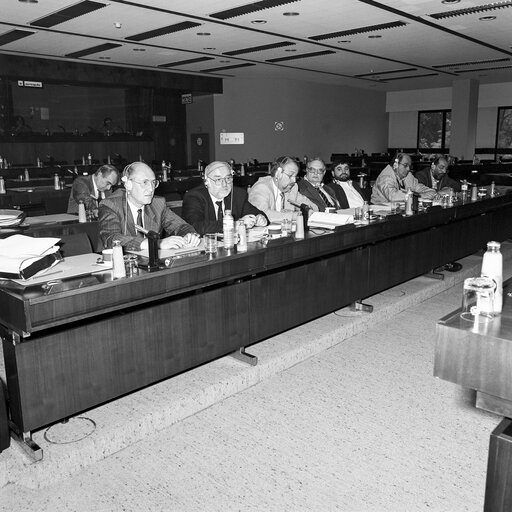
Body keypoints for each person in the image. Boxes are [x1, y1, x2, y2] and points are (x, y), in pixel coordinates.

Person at [98, 161, 199, 251]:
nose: (151, 189)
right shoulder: (110, 205)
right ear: (128, 184)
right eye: (145, 182)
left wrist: (189, 235)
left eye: (153, 182)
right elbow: (111, 238)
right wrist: (157, 244)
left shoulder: (157, 204)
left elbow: (181, 226)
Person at [182, 161, 267, 235]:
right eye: (218, 179)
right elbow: (196, 227)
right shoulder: (194, 196)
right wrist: (234, 225)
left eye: (228, 178)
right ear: (207, 182)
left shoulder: (238, 194)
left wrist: (259, 218)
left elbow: (257, 213)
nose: (225, 184)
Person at [248, 156, 318, 222]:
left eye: (295, 176)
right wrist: (294, 215)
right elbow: (262, 214)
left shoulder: (292, 188)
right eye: (290, 176)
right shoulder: (261, 188)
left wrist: (306, 211)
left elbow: (314, 207)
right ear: (278, 174)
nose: (294, 181)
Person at [371, 152, 437, 204]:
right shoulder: (385, 177)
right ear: (395, 165)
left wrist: (419, 195)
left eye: (409, 166)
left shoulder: (407, 175)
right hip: (380, 212)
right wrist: (416, 196)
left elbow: (425, 190)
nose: (408, 169)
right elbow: (393, 196)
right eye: (405, 165)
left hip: (399, 211)